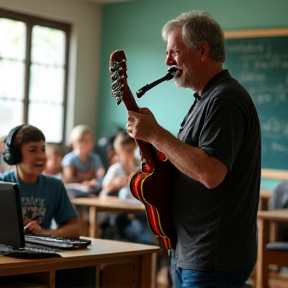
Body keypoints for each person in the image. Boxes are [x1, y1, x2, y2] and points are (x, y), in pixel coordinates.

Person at [126, 10, 261, 288]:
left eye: (174, 52)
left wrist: (156, 134)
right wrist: (152, 140)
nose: (167, 61)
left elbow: (211, 173)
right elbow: (186, 164)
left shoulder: (225, 99)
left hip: (213, 257)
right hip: (192, 251)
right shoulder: (205, 98)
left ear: (202, 51)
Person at [0, 124, 80, 238]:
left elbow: (74, 229)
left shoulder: (55, 186)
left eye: (43, 149)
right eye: (33, 150)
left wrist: (43, 232)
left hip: (42, 252)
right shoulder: (3, 184)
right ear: (15, 155)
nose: (41, 156)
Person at [99, 131, 155, 244]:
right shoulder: (115, 169)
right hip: (120, 213)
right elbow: (104, 191)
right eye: (128, 151)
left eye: (135, 150)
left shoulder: (141, 166)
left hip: (139, 210)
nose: (132, 155)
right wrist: (114, 185)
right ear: (119, 152)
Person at [62, 124, 105, 193]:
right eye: (83, 141)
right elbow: (68, 180)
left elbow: (101, 176)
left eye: (89, 140)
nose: (87, 144)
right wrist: (84, 183)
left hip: (92, 191)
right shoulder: (69, 159)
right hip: (75, 191)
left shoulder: (95, 158)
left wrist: (94, 182)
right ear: (74, 142)